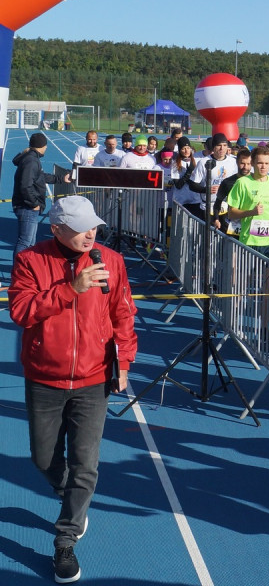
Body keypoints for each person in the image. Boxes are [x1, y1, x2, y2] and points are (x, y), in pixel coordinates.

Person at [8, 196, 137, 584]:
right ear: (57, 229)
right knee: (43, 458)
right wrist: (70, 288)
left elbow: (123, 313)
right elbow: (21, 311)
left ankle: (65, 540)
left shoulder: (110, 260)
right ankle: (70, 493)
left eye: (94, 226)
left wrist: (125, 362)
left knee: (86, 464)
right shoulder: (30, 260)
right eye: (81, 227)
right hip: (44, 377)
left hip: (94, 378)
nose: (90, 234)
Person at [12, 133, 70, 255]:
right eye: (45, 145)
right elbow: (25, 185)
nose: (46, 148)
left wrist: (60, 178)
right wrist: (34, 203)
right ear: (43, 146)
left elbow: (40, 177)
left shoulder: (31, 158)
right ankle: (18, 269)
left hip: (27, 206)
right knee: (25, 242)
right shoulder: (31, 161)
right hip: (27, 207)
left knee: (30, 243)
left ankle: (25, 268)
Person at [227, 146, 269, 260]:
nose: (263, 167)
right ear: (252, 163)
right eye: (260, 163)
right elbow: (231, 213)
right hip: (250, 240)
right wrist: (251, 212)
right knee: (248, 276)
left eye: (267, 163)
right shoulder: (242, 183)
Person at [189, 133, 238, 223]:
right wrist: (207, 189)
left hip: (226, 206)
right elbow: (192, 185)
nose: (222, 148)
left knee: (225, 236)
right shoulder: (204, 162)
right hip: (208, 206)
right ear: (213, 147)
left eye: (224, 145)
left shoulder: (233, 162)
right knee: (207, 235)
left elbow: (237, 182)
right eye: (219, 145)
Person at [211, 148, 251, 235]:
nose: (245, 167)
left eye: (248, 164)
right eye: (242, 163)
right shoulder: (227, 182)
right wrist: (216, 219)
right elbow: (217, 203)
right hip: (231, 227)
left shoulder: (256, 181)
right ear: (237, 162)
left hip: (250, 227)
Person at [170, 137, 203, 220]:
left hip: (195, 200)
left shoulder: (197, 161)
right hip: (181, 201)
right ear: (180, 150)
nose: (186, 151)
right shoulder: (175, 163)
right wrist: (188, 172)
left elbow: (198, 181)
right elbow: (178, 185)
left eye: (188, 148)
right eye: (183, 148)